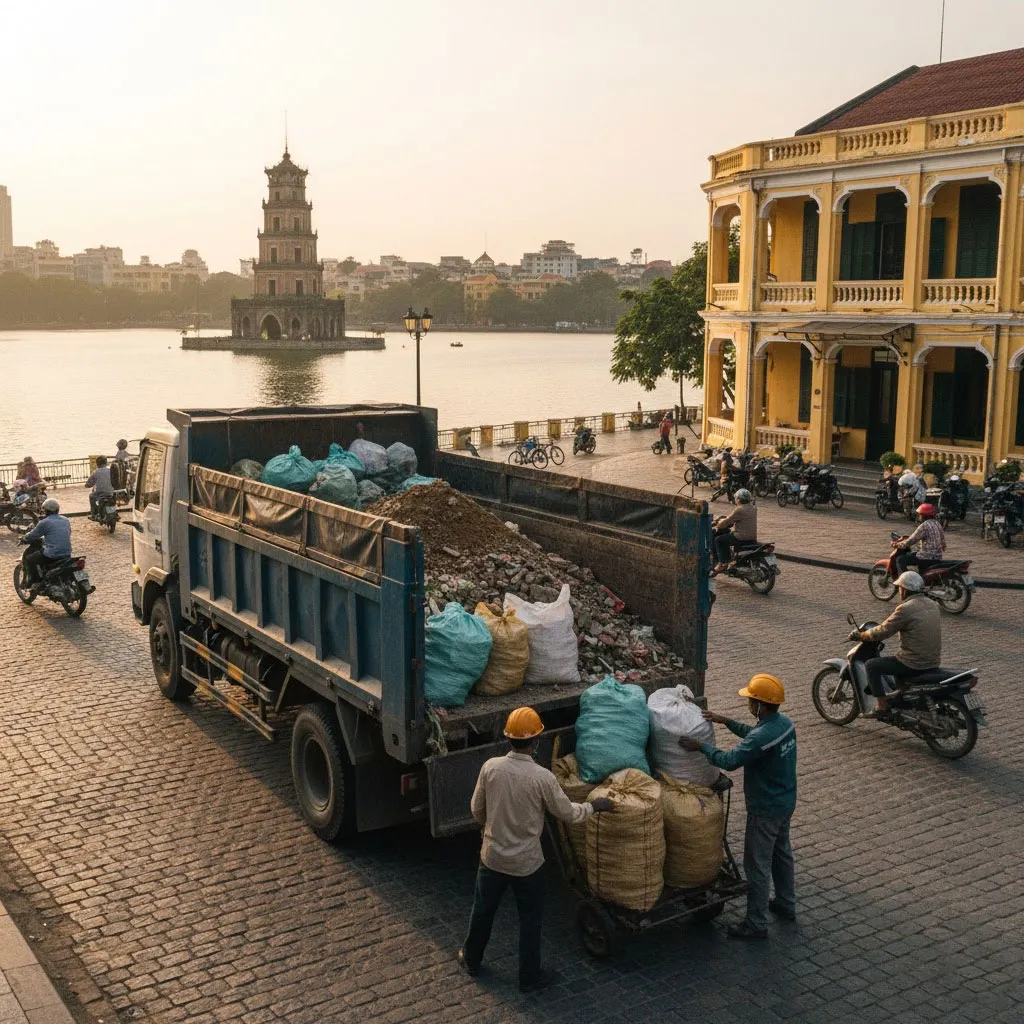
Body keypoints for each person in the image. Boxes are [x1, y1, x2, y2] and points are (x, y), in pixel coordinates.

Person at [459, 707, 613, 992]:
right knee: (530, 919)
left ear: (508, 738)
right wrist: (594, 806)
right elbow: (567, 813)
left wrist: (488, 828)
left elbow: (476, 809)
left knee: (482, 910)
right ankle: (529, 977)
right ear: (536, 741)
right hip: (526, 864)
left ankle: (471, 958)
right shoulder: (542, 778)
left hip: (492, 857)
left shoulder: (490, 767)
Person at [679, 674, 796, 940]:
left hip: (765, 808)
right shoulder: (784, 724)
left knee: (756, 864)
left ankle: (756, 924)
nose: (749, 705)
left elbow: (730, 760)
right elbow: (755, 736)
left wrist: (701, 747)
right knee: (781, 853)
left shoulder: (763, 735)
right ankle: (786, 903)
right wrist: (726, 721)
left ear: (760, 705)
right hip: (786, 801)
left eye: (751, 701)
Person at [860, 571, 940, 715]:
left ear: (905, 590)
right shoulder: (933, 604)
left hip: (913, 662)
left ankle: (882, 706)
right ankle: (901, 696)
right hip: (933, 661)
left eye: (900, 588)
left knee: (872, 665)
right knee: (897, 658)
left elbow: (884, 630)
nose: (899, 591)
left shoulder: (906, 609)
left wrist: (864, 635)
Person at [20, 498, 72, 585]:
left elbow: (33, 535)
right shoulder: (65, 520)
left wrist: (24, 539)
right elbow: (68, 532)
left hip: (52, 554)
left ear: (45, 510)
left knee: (30, 559)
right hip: (67, 553)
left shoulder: (44, 522)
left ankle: (35, 582)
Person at [712, 488, 757, 573]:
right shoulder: (753, 508)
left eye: (736, 498)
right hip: (752, 536)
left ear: (739, 499)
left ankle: (722, 563)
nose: (735, 500)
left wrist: (719, 523)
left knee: (719, 540)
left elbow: (728, 521)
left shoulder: (739, 509)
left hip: (741, 537)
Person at [895, 503, 945, 576]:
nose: (919, 516)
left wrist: (897, 544)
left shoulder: (924, 526)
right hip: (937, 557)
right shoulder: (937, 524)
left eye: (919, 515)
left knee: (900, 560)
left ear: (923, 515)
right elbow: (943, 543)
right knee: (915, 553)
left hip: (926, 557)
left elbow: (912, 540)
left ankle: (907, 582)